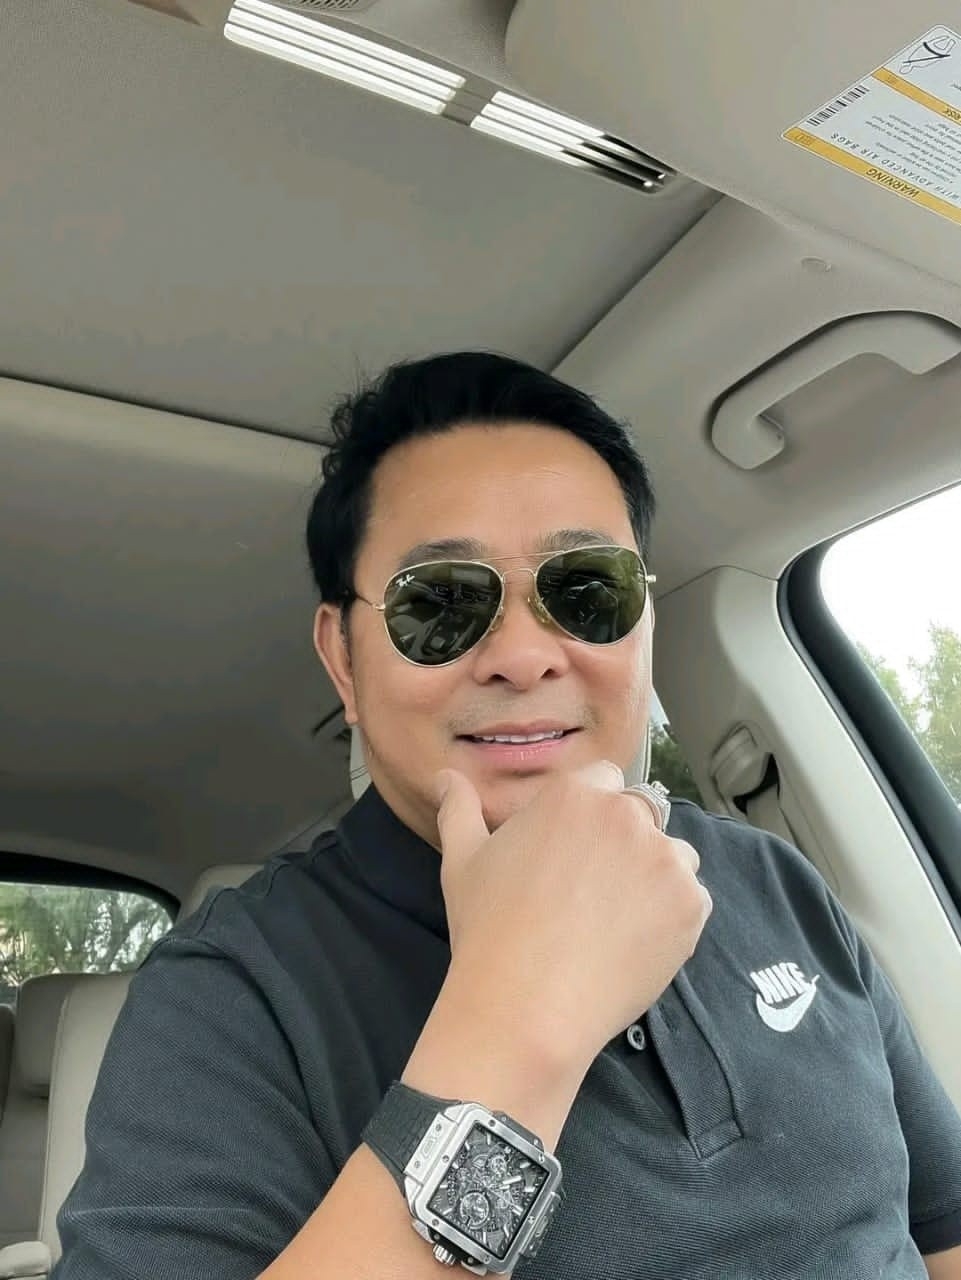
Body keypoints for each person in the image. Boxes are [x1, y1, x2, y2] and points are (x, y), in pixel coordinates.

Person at [52, 352, 961, 1279]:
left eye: (587, 589)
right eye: (440, 602)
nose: (523, 656)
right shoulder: (231, 994)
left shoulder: (773, 882)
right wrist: (514, 1026)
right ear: (343, 661)